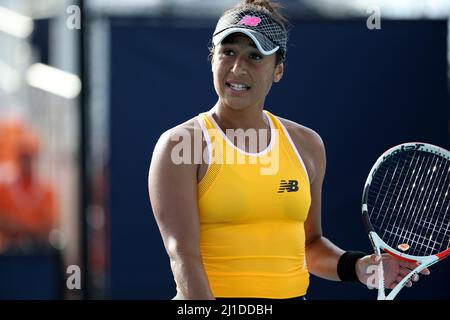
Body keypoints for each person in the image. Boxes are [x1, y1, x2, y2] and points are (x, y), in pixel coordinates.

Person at [148, 0, 429, 300]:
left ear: (278, 70)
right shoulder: (180, 145)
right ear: (212, 58)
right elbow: (183, 257)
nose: (237, 67)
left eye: (254, 56)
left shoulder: (307, 145)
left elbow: (309, 245)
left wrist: (360, 267)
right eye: (228, 52)